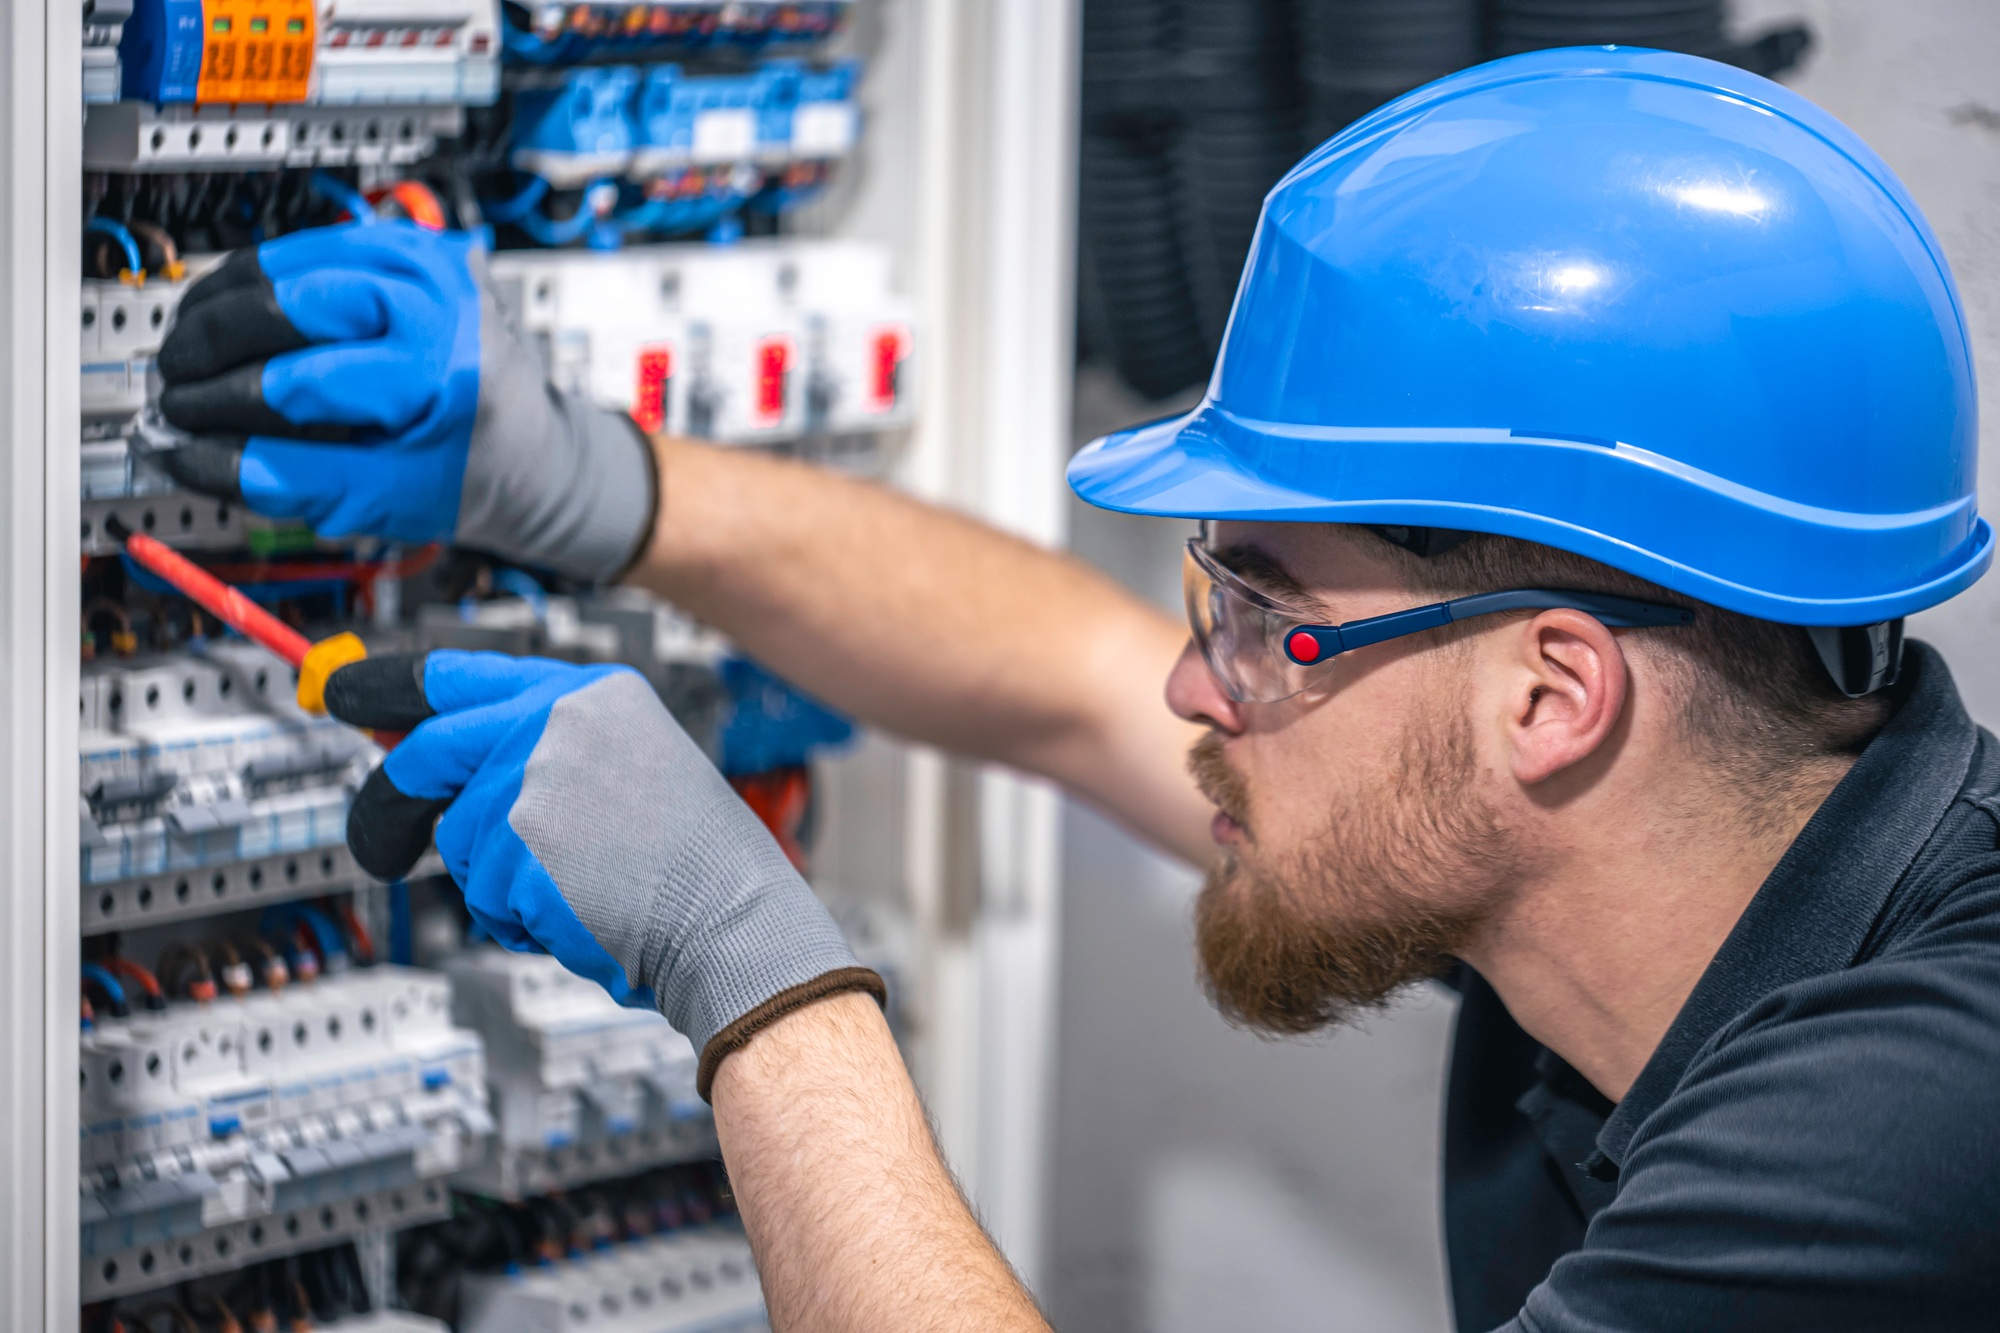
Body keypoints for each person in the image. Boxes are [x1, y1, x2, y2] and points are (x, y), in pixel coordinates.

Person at [152, 47, 2000, 1333]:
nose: (1195, 675)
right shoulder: (1680, 851)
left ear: (1554, 697)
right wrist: (567, 475)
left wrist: (753, 970)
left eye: (1267, 614)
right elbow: (1058, 680)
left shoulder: (1911, 1146)